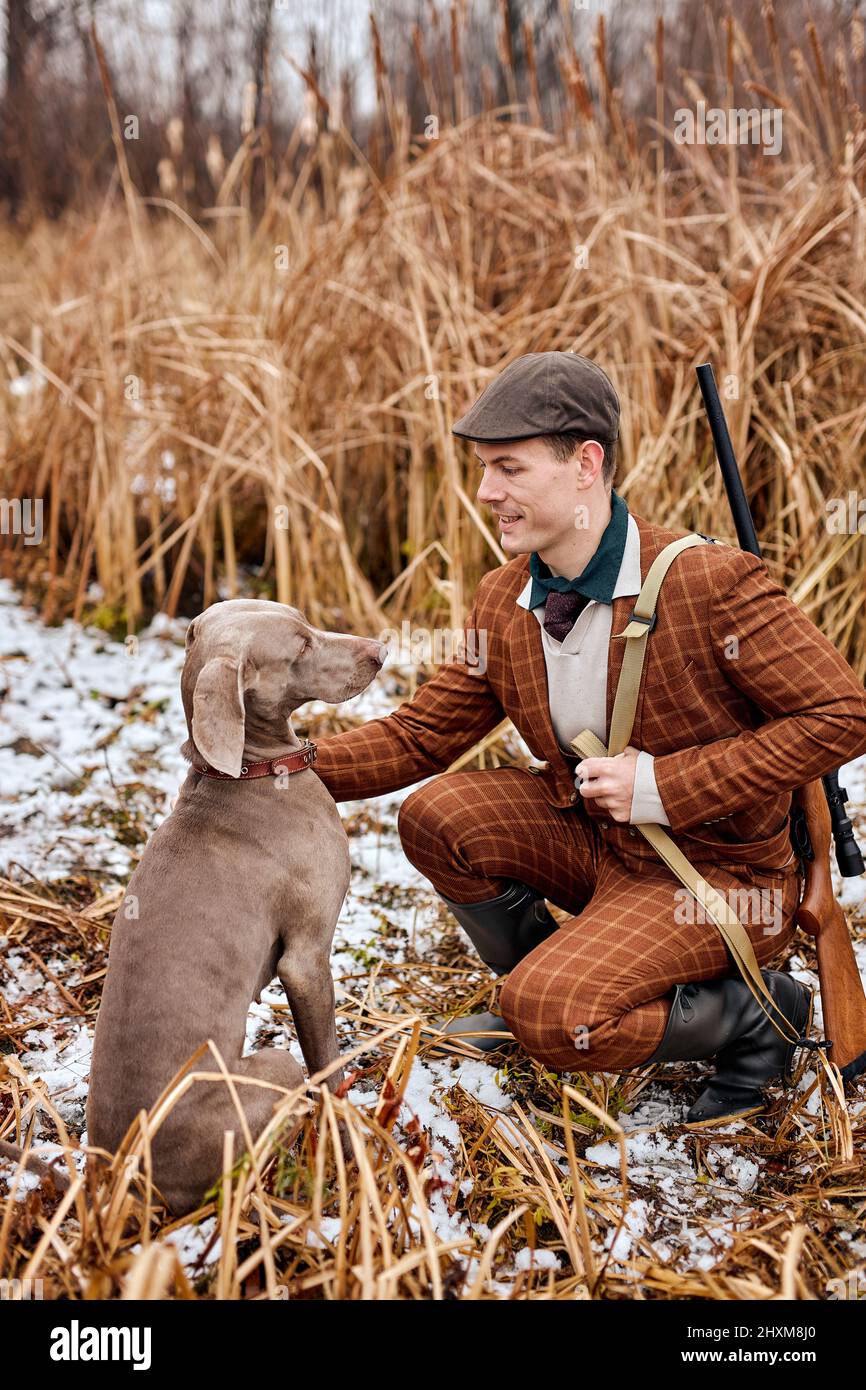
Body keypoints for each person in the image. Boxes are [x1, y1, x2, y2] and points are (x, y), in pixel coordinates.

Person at [312, 351, 866, 1126]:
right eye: (481, 469)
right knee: (436, 817)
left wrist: (665, 786)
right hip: (599, 844)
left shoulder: (711, 583)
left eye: (509, 468)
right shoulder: (505, 598)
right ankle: (561, 982)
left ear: (586, 464)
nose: (486, 493)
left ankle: (756, 1013)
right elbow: (419, 737)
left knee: (549, 1015)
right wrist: (288, 765)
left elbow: (841, 714)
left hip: (717, 875)